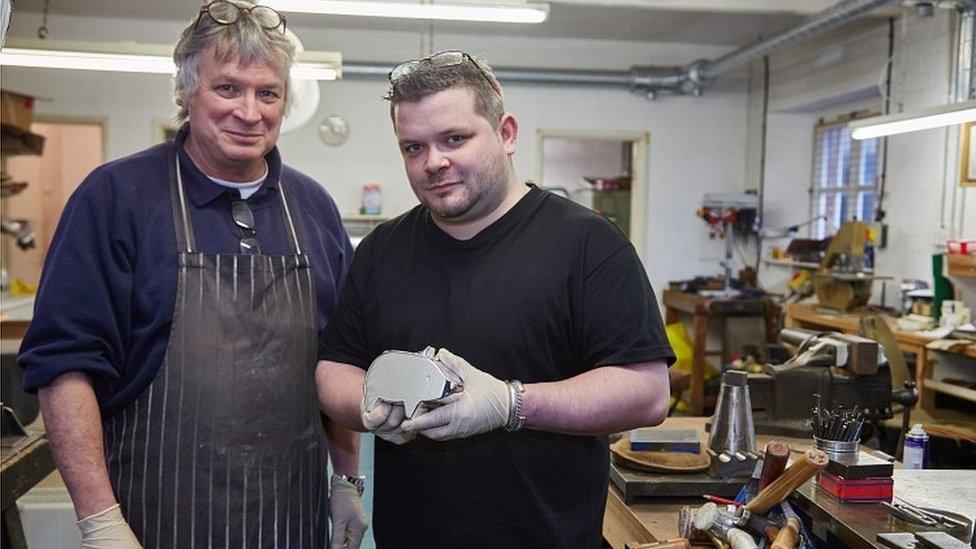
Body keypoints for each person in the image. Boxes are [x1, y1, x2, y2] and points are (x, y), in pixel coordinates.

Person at [17, 2, 367, 547]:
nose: (249, 112)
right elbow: (64, 366)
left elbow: (338, 361)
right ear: (186, 93)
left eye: (267, 93)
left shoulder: (313, 208)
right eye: (227, 88)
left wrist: (346, 479)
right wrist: (99, 520)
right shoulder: (116, 198)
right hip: (153, 522)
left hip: (291, 522)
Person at [316, 50, 674, 548]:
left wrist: (512, 403)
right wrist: (365, 403)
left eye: (454, 139)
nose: (434, 162)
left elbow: (647, 391)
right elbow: (334, 367)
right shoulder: (381, 251)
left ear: (506, 133)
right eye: (413, 147)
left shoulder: (588, 244)